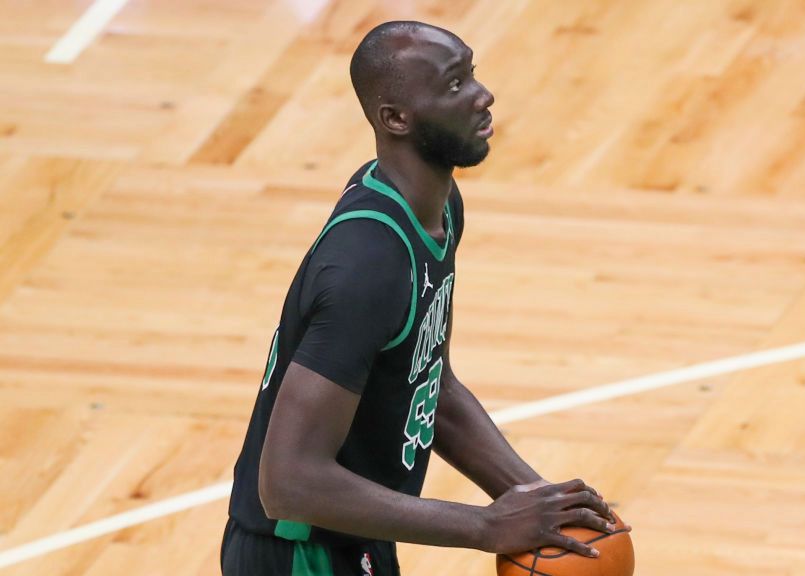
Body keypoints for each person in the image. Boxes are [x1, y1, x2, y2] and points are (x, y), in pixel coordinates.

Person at [221, 21, 620, 576]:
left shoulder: (438, 207)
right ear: (396, 119)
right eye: (455, 85)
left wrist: (541, 501)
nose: (483, 95)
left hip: (356, 529)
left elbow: (433, 387)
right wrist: (485, 526)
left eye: (472, 73)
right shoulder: (368, 266)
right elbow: (288, 482)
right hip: (300, 553)